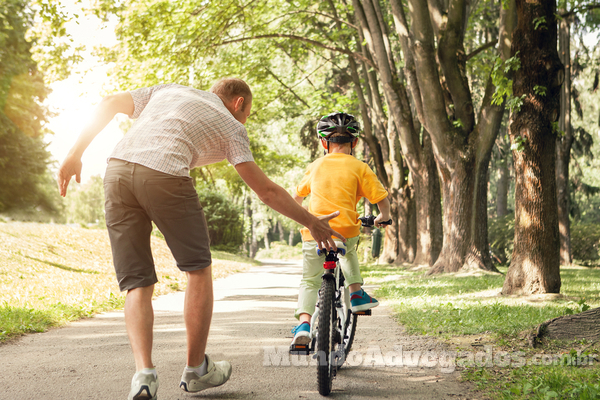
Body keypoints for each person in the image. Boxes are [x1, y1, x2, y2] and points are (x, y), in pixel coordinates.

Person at [57, 79, 344, 400]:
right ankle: (195, 369)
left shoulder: (168, 90)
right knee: (198, 269)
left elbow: (109, 101)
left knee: (137, 282)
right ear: (238, 104)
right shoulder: (231, 125)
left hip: (117, 172)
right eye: (247, 113)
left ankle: (144, 375)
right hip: (165, 175)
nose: (245, 120)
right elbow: (266, 190)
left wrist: (74, 153)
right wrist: (312, 222)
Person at [289, 112, 391, 349]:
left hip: (314, 232)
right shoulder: (360, 167)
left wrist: (304, 218)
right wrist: (383, 217)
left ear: (324, 143)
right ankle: (355, 293)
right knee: (349, 251)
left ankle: (304, 324)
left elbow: (296, 198)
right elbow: (381, 199)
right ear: (354, 142)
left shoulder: (315, 166)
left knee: (309, 280)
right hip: (345, 229)